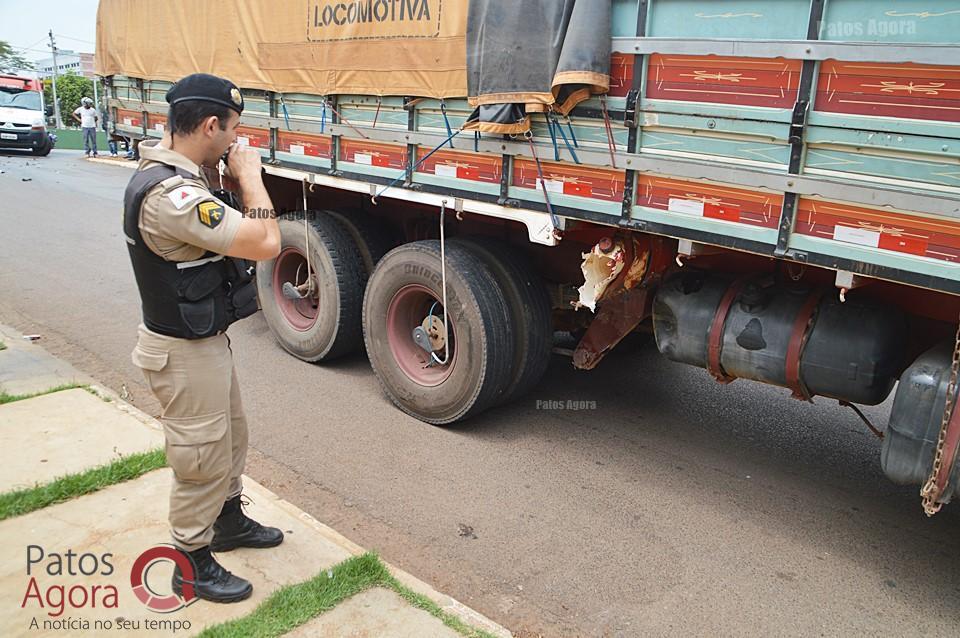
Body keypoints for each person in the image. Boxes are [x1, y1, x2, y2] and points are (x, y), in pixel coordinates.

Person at [124, 73, 283, 603]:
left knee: (229, 438)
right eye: (233, 131)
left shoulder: (184, 179)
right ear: (211, 125)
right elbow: (264, 241)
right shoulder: (172, 195)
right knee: (200, 457)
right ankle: (189, 562)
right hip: (182, 352)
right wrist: (251, 176)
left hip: (203, 343)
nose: (237, 142)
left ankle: (228, 521)